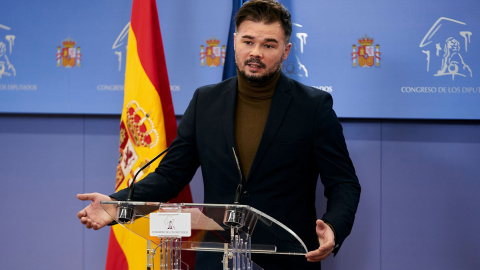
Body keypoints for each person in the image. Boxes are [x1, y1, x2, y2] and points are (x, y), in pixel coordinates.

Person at [77, 0, 361, 269]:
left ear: (286, 51)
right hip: (217, 257)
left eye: (268, 45)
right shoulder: (206, 101)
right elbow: (170, 176)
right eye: (248, 41)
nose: (256, 53)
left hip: (287, 258)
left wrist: (334, 226)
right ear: (235, 41)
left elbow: (344, 182)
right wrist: (116, 205)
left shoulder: (313, 106)